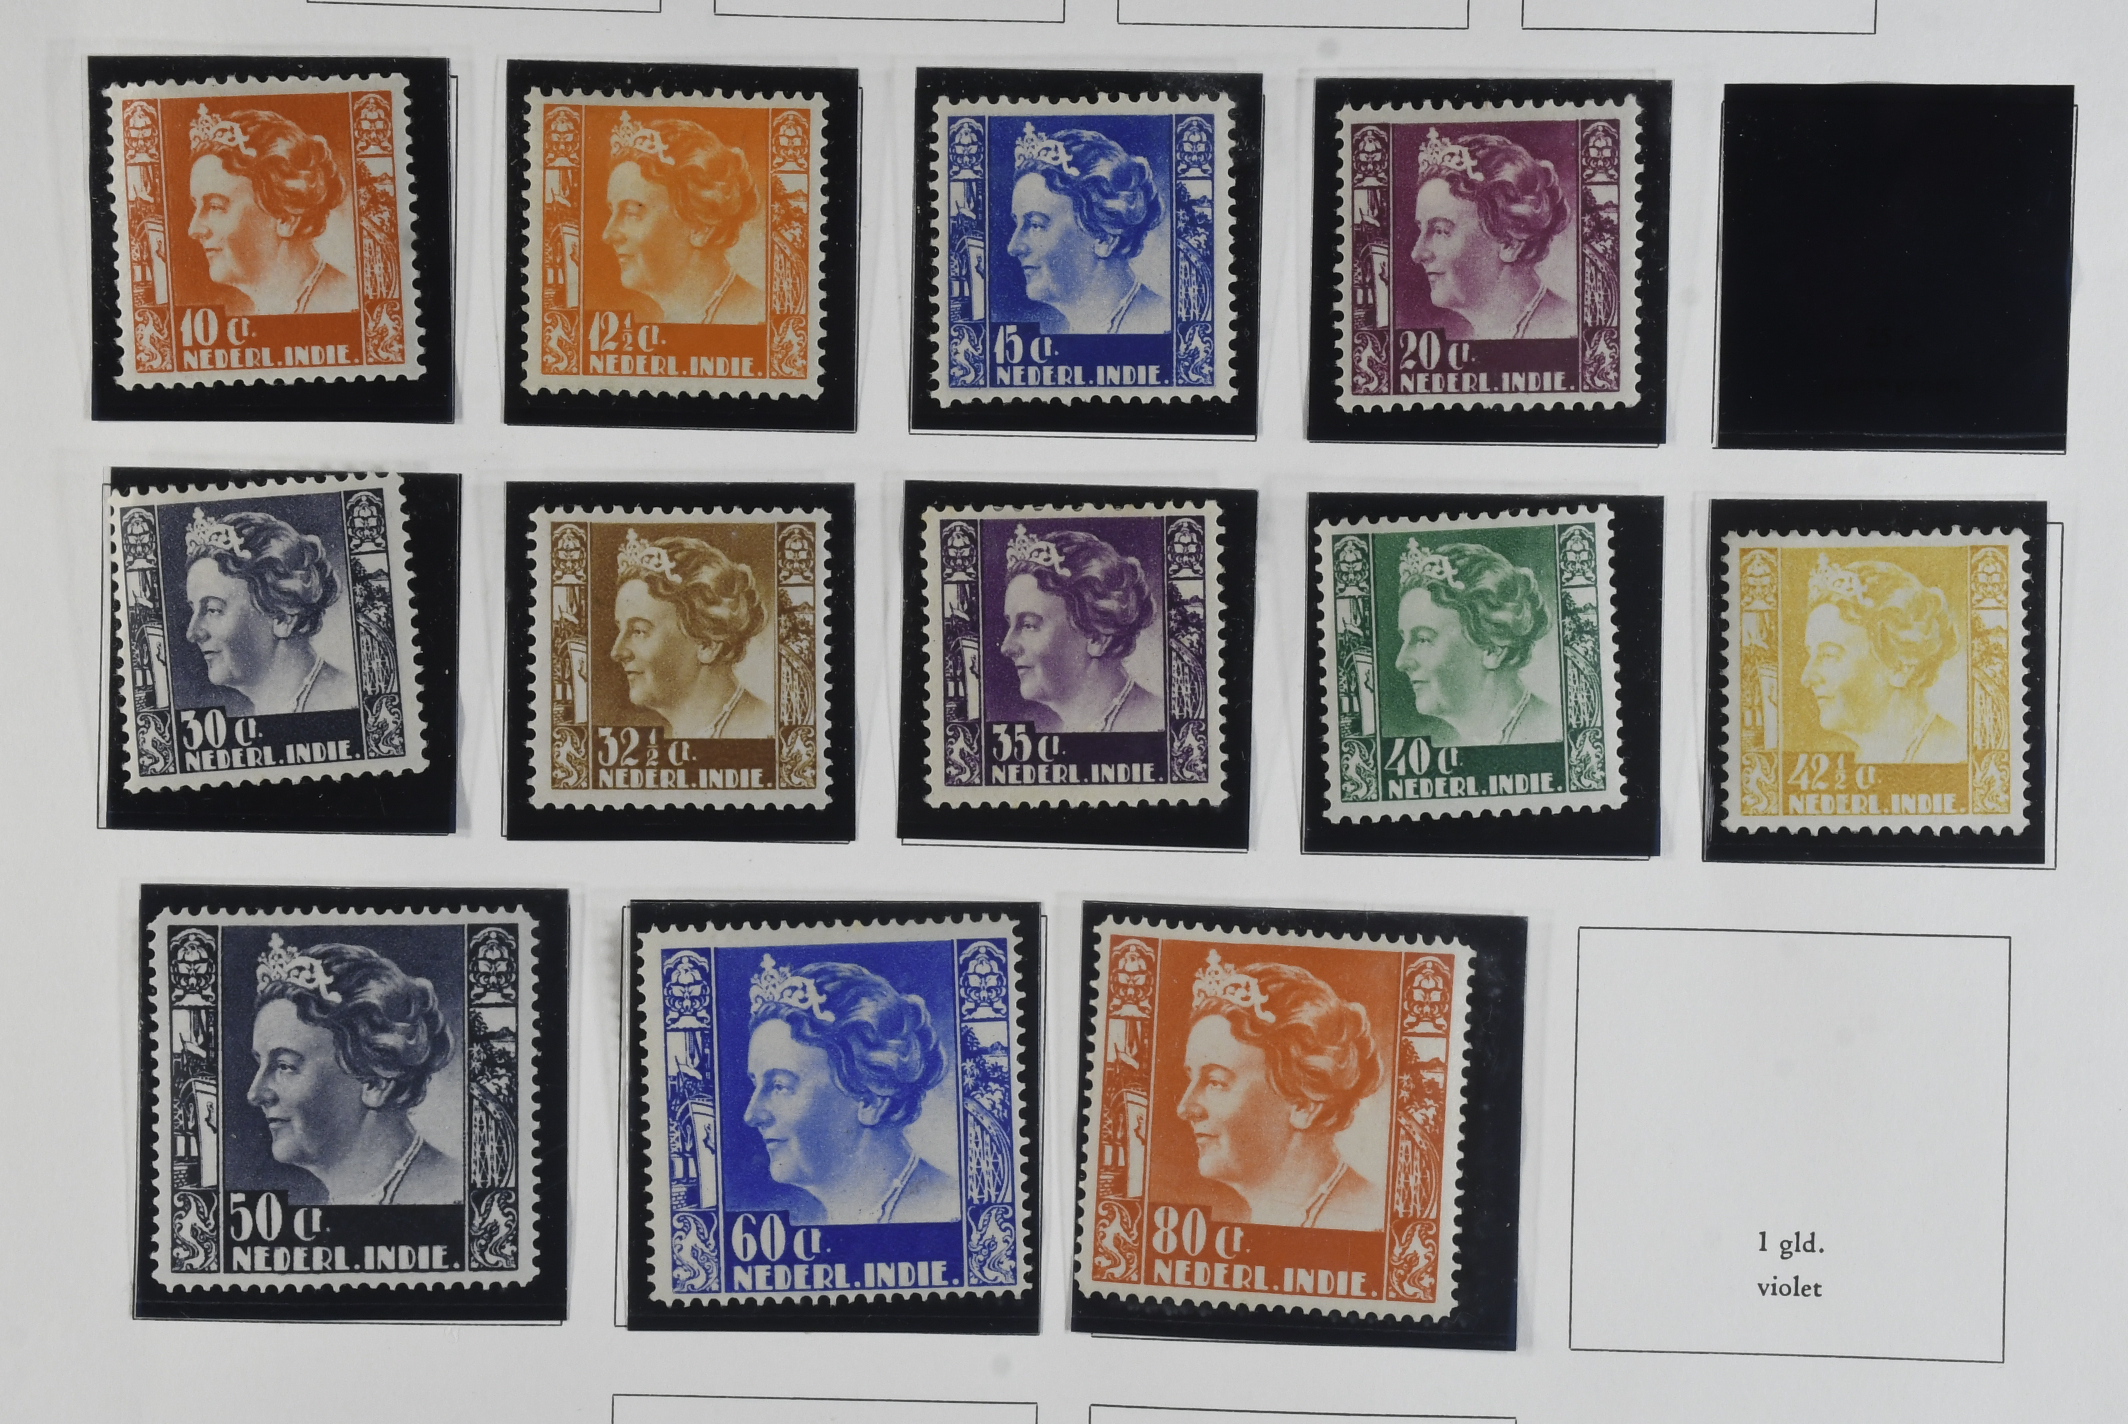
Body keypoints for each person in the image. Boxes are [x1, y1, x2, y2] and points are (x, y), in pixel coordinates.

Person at [742, 956, 959, 1226]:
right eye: (756, 1084)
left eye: (779, 1086)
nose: (752, 1115)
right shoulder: (825, 1218)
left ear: (870, 1099)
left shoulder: (947, 1208)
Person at [1177, 950, 1384, 1230]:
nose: (1185, 1108)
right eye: (1190, 1078)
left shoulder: (1369, 1219)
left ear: (1304, 1104)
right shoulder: (1271, 1217)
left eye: (1216, 1082)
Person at [246, 935, 460, 1206]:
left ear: (376, 1081)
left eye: (285, 1066)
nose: (255, 1094)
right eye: (260, 1063)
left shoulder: (452, 1194)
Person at [182, 506, 356, 716]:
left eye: (213, 609)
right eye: (193, 609)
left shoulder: (345, 701)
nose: (192, 633)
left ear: (283, 617)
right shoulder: (267, 708)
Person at [187, 105, 355, 316]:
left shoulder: (347, 301)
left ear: (286, 217)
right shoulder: (264, 309)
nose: (194, 230)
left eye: (215, 206)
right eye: (196, 206)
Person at [1407, 127, 1572, 340]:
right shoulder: (1482, 334)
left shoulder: (1567, 328)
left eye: (1440, 231)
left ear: (1510, 242)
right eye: (1421, 229)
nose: (1417, 253)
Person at [1393, 538, 1561, 746]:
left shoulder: (1553, 730)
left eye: (1423, 639)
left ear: (1493, 649)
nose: (1401, 662)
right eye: (1404, 639)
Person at [997, 524, 1162, 734]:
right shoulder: (1063, 728)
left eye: (1028, 625)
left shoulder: (1156, 721)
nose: (1006, 647)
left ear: (1097, 637)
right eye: (1010, 624)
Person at [602, 111, 764, 324]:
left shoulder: (757, 317)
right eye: (612, 211)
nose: (608, 234)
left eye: (632, 213)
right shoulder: (675, 317)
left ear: (700, 226)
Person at [1008, 123, 1170, 335]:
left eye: (1036, 225)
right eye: (1017, 224)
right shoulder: (1073, 330)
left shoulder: (1163, 324)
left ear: (1104, 237)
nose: (1014, 247)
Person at [1801, 552, 1964, 763]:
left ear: (1900, 666)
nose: (1806, 677)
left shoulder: (1952, 754)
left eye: (1829, 655)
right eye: (1811, 654)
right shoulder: (1865, 757)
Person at [609, 529, 771, 739]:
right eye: (620, 629)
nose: (617, 652)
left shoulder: (765, 730)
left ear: (707, 644)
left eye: (639, 631)